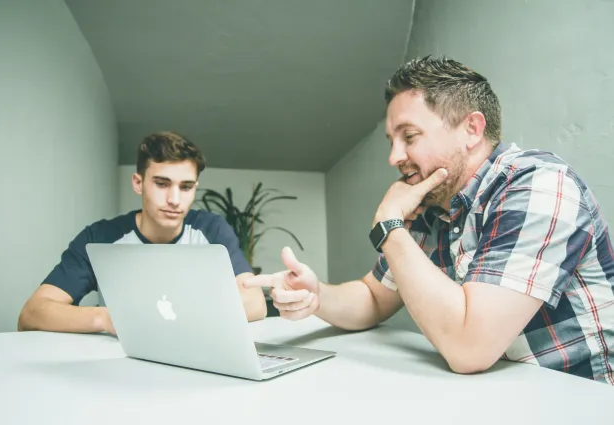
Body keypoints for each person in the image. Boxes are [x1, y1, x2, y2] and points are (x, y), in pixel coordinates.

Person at [245, 56, 614, 385]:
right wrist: (317, 295)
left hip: (579, 399)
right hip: (497, 394)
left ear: (471, 129)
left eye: (409, 136)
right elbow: (374, 296)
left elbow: (470, 349)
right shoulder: (436, 204)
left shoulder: (539, 184)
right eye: (391, 140)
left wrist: (389, 225)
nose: (394, 156)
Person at [18, 131, 267, 334]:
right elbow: (33, 313)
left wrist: (172, 317)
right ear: (138, 183)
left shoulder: (212, 230)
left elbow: (255, 303)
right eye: (162, 184)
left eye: (186, 187)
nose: (174, 199)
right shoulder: (100, 237)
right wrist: (108, 319)